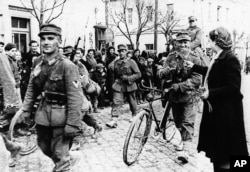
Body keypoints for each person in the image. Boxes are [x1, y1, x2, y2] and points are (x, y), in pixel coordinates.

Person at [21, 23, 83, 172]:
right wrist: (26, 110)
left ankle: (64, 164)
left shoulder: (67, 66)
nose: (46, 42)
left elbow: (76, 98)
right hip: (43, 114)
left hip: (61, 116)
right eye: (43, 39)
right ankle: (69, 158)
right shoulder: (37, 63)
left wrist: (73, 124)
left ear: (59, 41)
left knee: (59, 155)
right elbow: (31, 87)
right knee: (43, 145)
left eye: (50, 38)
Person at [184, 27, 248, 172]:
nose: (207, 42)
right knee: (218, 151)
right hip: (219, 111)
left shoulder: (230, 58)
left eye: (209, 39)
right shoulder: (220, 56)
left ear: (216, 41)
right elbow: (214, 73)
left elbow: (233, 88)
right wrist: (194, 67)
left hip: (227, 114)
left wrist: (210, 93)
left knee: (227, 153)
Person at [158, 31, 202, 163]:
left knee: (188, 122)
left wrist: (181, 85)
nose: (183, 44)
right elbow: (160, 74)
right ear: (175, 44)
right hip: (174, 97)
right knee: (178, 122)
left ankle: (186, 152)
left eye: (186, 42)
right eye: (180, 42)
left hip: (190, 96)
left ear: (189, 44)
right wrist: (165, 72)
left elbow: (197, 79)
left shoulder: (195, 58)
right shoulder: (170, 58)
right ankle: (182, 140)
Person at [106, 44, 141, 128]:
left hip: (129, 84)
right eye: (119, 51)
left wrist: (128, 78)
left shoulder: (131, 62)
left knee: (132, 101)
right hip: (119, 84)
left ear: (126, 52)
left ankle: (134, 115)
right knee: (116, 101)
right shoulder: (116, 62)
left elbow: (138, 74)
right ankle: (114, 119)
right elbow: (112, 71)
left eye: (123, 51)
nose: (121, 53)